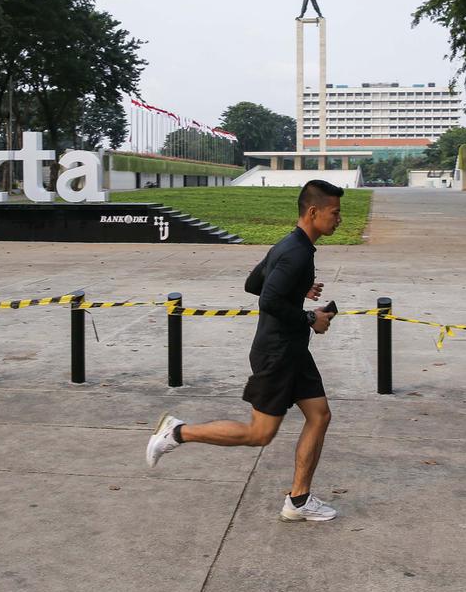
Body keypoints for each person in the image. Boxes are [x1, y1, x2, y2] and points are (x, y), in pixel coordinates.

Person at [146, 180, 343, 522]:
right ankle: (176, 432)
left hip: (292, 351)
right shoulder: (297, 253)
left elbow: (254, 283)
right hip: (277, 354)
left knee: (320, 415)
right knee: (259, 434)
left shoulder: (289, 245)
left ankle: (298, 501)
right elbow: (267, 299)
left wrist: (298, 287)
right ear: (313, 212)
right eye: (335, 212)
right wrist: (311, 317)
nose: (339, 219)